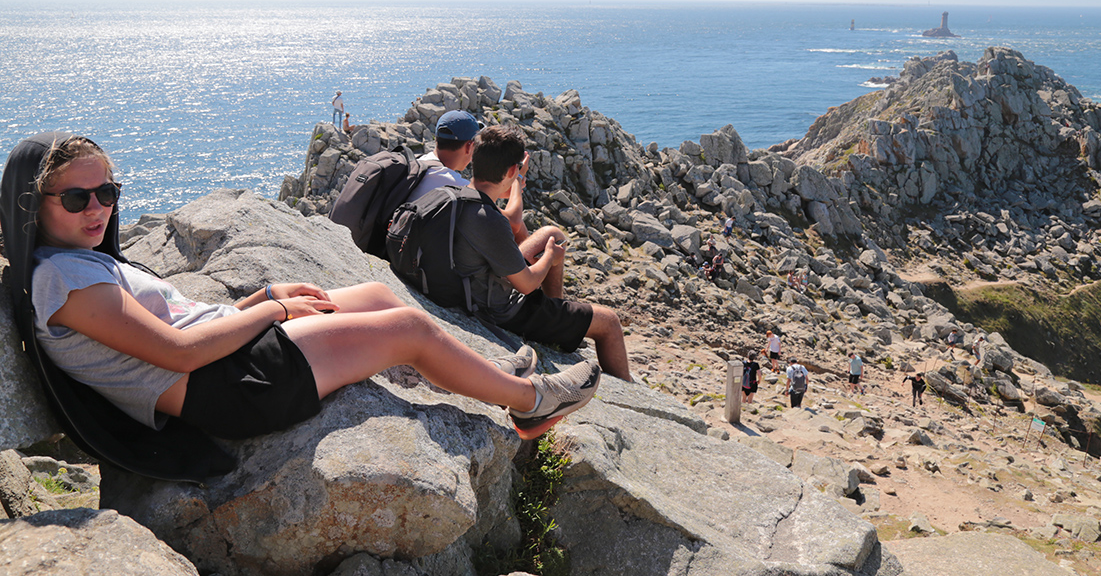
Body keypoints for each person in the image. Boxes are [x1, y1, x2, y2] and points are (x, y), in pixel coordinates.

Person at [0, 134, 601, 474]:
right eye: (76, 198)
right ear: (31, 204)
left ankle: (481, 373)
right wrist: (274, 312)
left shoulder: (75, 264)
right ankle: (528, 403)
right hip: (231, 386)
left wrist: (263, 297)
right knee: (408, 328)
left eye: (106, 192)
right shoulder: (62, 281)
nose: (97, 209)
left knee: (374, 295)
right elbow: (178, 353)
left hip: (228, 358)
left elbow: (180, 322)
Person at [433, 124, 632, 381]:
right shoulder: (489, 220)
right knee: (609, 322)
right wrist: (549, 257)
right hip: (501, 309)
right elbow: (527, 284)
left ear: (474, 158)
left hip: (473, 282)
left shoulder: (458, 193)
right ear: (512, 171)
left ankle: (557, 318)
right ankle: (627, 386)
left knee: (551, 234)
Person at [406, 110, 528, 242]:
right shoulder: (452, 185)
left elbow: (481, 195)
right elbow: (513, 223)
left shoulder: (421, 164)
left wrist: (504, 189)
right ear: (470, 146)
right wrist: (517, 177)